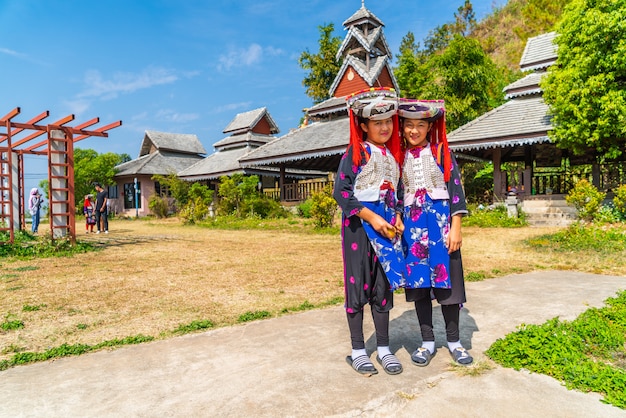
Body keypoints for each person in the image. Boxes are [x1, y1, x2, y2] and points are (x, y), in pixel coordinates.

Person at [333, 87, 407, 376]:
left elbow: (399, 192)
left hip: (386, 230)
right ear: (364, 125)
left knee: (382, 287)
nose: (385, 127)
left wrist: (398, 216)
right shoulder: (356, 152)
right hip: (359, 228)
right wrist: (372, 218)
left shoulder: (392, 157)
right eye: (377, 123)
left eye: (388, 121)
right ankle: (358, 350)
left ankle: (385, 349)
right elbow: (341, 192)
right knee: (357, 285)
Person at [397, 99, 473, 366]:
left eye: (420, 125)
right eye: (409, 125)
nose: (414, 131)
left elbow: (456, 192)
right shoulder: (398, 158)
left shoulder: (442, 154)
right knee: (420, 285)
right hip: (413, 228)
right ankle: (427, 342)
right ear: (403, 128)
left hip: (442, 226)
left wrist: (457, 227)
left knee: (448, 284)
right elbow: (395, 196)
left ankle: (454, 341)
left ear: (429, 128)